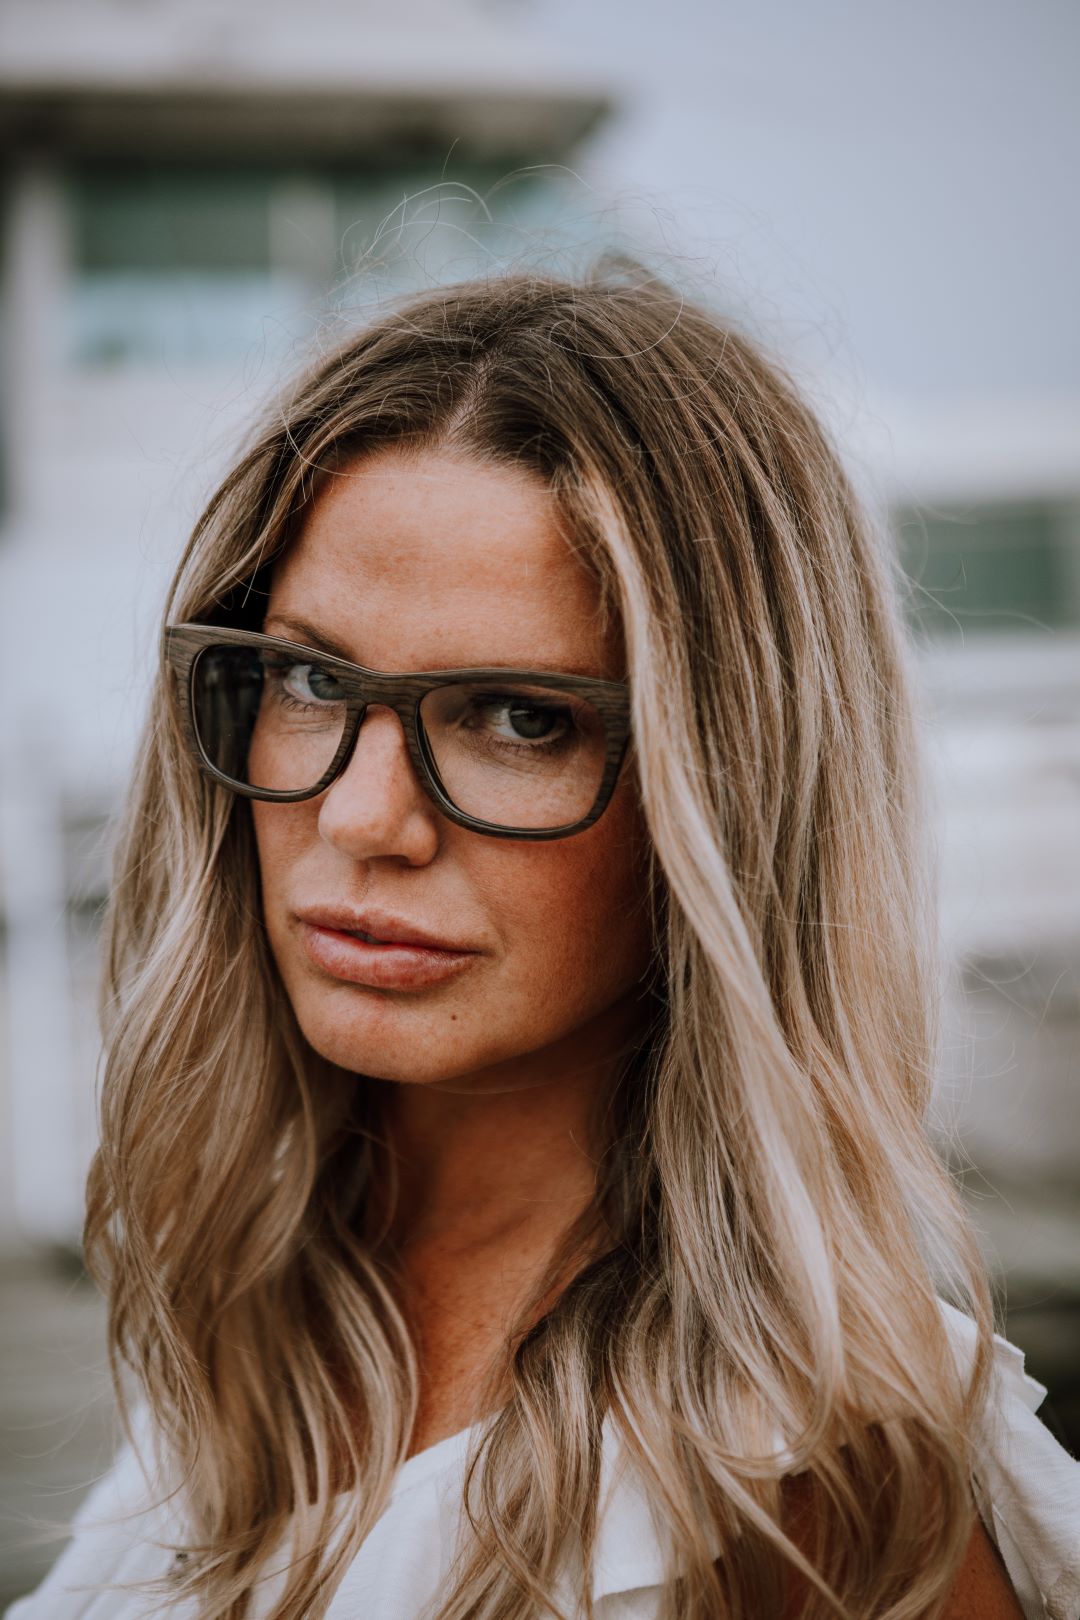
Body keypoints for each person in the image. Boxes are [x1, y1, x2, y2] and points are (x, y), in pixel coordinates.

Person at [8, 263, 1079, 1620]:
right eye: (312, 679)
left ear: (729, 796)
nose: (361, 815)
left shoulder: (792, 1493)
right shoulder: (266, 1310)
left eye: (520, 717)